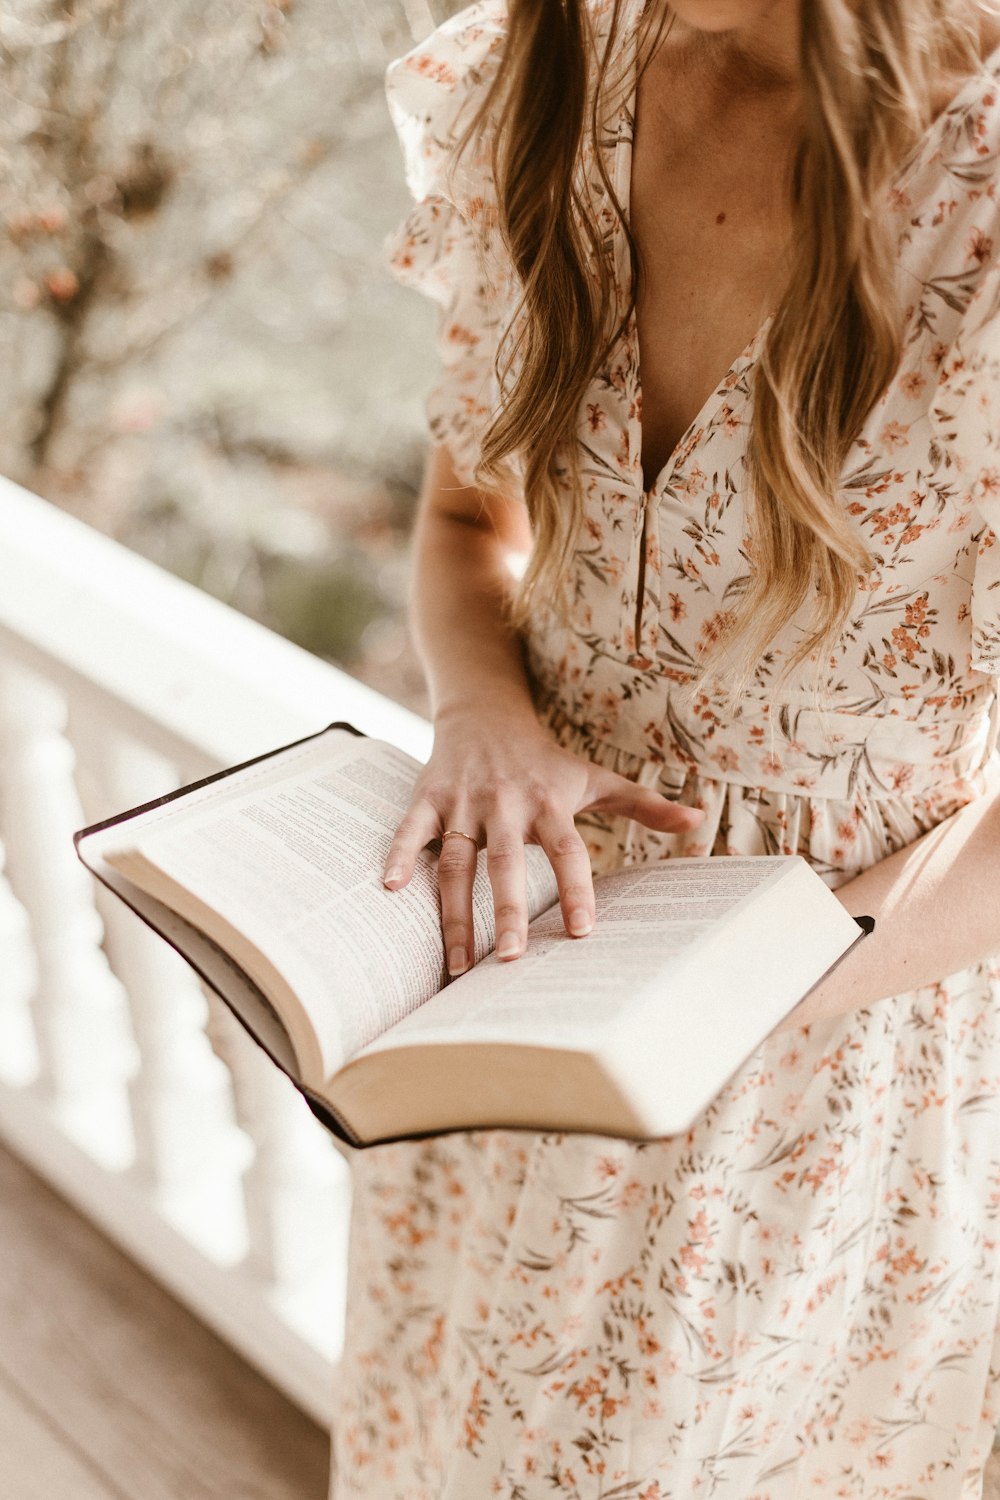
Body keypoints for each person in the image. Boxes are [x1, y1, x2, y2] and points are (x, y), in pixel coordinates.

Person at [330, 1, 1000, 1494]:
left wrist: (746, 997)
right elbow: (463, 524)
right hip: (502, 987)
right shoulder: (545, 70)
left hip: (815, 1054)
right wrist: (485, 715)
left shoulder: (982, 187)